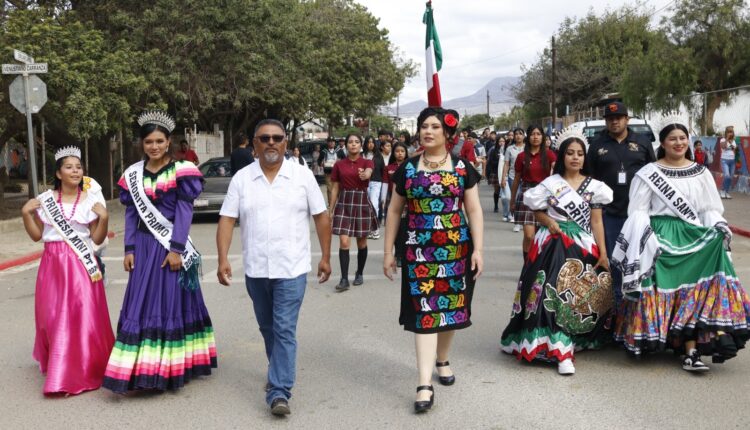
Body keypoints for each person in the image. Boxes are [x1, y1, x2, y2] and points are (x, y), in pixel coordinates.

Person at [612, 122, 750, 372]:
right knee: (659, 288)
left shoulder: (701, 172)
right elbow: (639, 210)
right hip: (660, 235)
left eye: (682, 138)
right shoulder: (648, 172)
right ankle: (654, 337)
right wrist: (646, 239)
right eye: (672, 139)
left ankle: (691, 350)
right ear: (662, 143)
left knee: (695, 292)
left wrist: (718, 229)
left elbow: (709, 210)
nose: (678, 143)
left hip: (692, 236)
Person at [216, 119, 332, 416]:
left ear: (285, 142)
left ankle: (279, 390)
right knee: (268, 327)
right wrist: (222, 258)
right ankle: (277, 368)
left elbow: (321, 217)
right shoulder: (242, 179)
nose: (270, 143)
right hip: (256, 269)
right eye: (264, 138)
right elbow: (227, 220)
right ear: (254, 144)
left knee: (283, 328)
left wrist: (326, 257)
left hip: (291, 268)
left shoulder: (302, 176)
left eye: (276, 138)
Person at [102, 111, 216, 393]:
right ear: (143, 143)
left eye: (159, 141)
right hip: (142, 245)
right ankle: (140, 368)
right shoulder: (133, 174)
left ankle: (169, 367)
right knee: (140, 302)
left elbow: (184, 211)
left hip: (169, 246)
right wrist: (128, 248)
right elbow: (131, 215)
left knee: (169, 301)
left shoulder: (182, 171)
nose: (154, 146)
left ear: (168, 143)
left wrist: (176, 249)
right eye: (149, 141)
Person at [383, 107, 484, 413]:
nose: (427, 131)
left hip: (457, 250)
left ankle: (443, 359)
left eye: (434, 127)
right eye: (423, 126)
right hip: (418, 252)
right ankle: (424, 384)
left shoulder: (464, 168)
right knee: (426, 313)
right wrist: (388, 251)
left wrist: (478, 249)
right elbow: (394, 211)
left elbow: (475, 210)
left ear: (447, 134)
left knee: (451, 309)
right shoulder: (409, 168)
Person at [500, 131, 613, 375]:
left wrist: (603, 252)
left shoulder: (595, 186)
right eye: (570, 153)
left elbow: (596, 222)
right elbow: (537, 210)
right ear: (562, 156)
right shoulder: (551, 184)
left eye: (580, 154)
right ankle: (559, 348)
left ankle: (569, 341)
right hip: (552, 241)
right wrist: (548, 221)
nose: (575, 158)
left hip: (582, 243)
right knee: (547, 291)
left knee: (577, 294)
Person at [21, 146, 113, 395]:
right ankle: (59, 363)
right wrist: (26, 214)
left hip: (81, 263)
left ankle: (75, 371)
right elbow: (37, 236)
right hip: (52, 263)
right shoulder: (45, 200)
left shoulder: (91, 201)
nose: (75, 171)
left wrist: (103, 219)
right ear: (59, 173)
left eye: (78, 167)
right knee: (51, 316)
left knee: (81, 316)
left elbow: (95, 238)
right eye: (69, 167)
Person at [587, 101, 655, 308]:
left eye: (619, 118)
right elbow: (589, 180)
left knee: (638, 263)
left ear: (627, 119)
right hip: (608, 215)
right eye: (610, 119)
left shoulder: (643, 142)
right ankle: (615, 316)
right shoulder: (597, 145)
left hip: (638, 214)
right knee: (613, 265)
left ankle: (639, 313)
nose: (614, 121)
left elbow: (654, 176)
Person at [329, 134, 378, 291]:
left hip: (361, 201)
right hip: (344, 201)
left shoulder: (366, 161)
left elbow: (370, 170)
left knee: (361, 242)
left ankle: (360, 273)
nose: (353, 144)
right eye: (350, 142)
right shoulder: (339, 164)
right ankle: (344, 279)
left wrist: (366, 174)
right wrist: (331, 209)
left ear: (361, 145)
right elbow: (335, 187)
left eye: (357, 142)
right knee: (344, 241)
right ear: (346, 145)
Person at [510, 125, 557, 261]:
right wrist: (512, 201)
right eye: (532, 134)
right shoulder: (521, 156)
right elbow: (517, 180)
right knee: (529, 235)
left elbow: (558, 171)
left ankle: (538, 264)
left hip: (545, 195)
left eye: (538, 134)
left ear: (543, 137)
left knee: (541, 235)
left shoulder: (549, 154)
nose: (535, 137)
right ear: (528, 137)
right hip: (527, 195)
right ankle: (527, 265)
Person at [383, 141, 409, 267]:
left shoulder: (410, 166)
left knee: (404, 228)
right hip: (392, 201)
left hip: (407, 202)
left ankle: (403, 254)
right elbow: (384, 184)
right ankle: (397, 254)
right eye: (397, 151)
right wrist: (382, 199)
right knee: (395, 229)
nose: (400, 153)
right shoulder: (389, 168)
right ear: (393, 153)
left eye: (402, 151)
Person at [502, 128, 525, 230]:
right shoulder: (509, 149)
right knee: (515, 198)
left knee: (524, 200)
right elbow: (506, 164)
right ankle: (517, 222)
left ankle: (523, 221)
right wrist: (503, 178)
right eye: (516, 134)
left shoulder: (527, 148)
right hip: (512, 176)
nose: (518, 136)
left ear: (524, 136)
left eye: (520, 134)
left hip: (525, 177)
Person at [318, 136, 344, 206]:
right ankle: (331, 204)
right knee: (330, 189)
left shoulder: (339, 150)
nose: (332, 143)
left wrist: (340, 161)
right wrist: (321, 163)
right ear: (327, 142)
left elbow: (345, 160)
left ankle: (339, 204)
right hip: (328, 173)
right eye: (330, 141)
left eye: (333, 141)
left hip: (338, 173)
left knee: (338, 189)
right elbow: (319, 161)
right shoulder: (323, 151)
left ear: (335, 143)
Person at [487, 136, 508, 216]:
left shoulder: (507, 150)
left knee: (506, 191)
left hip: (505, 173)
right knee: (497, 190)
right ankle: (496, 205)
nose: (501, 143)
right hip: (496, 172)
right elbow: (491, 162)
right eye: (500, 141)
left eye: (503, 141)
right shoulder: (493, 151)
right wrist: (499, 160)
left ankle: (506, 208)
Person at [719, 125, 737, 199]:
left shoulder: (734, 141)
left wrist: (733, 147)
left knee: (730, 177)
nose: (730, 133)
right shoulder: (722, 140)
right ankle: (722, 190)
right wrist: (727, 139)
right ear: (726, 132)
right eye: (729, 132)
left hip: (732, 161)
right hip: (724, 160)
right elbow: (723, 147)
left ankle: (726, 192)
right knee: (727, 175)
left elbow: (734, 150)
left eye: (731, 132)